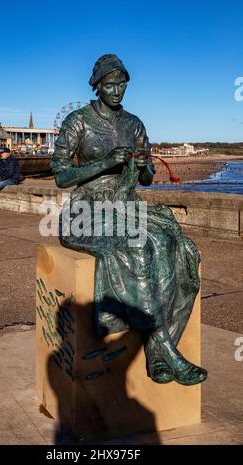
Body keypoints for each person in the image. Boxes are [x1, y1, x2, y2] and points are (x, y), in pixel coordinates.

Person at [50, 54, 207, 386]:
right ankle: (167, 352)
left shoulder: (134, 124)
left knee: (172, 246)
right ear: (97, 87)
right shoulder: (78, 121)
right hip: (87, 209)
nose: (116, 90)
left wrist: (144, 165)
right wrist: (106, 162)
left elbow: (147, 178)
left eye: (121, 84)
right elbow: (62, 177)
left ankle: (156, 356)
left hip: (126, 204)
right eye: (109, 85)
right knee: (138, 248)